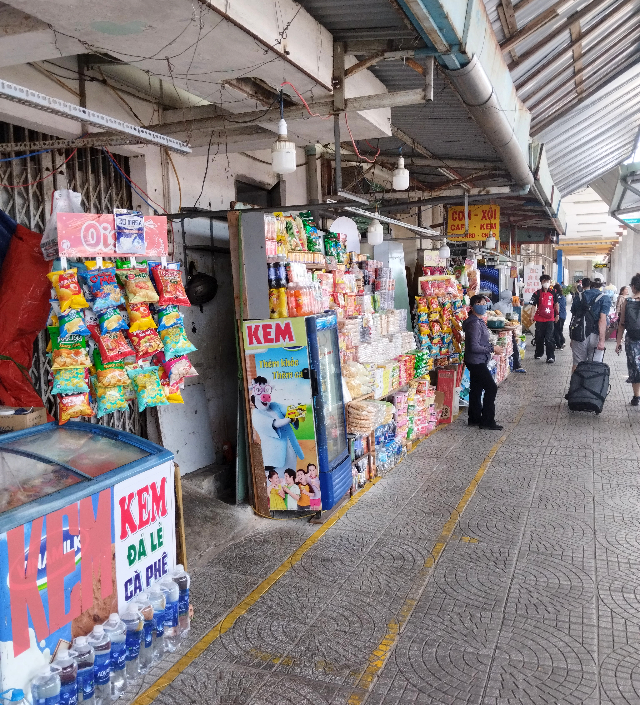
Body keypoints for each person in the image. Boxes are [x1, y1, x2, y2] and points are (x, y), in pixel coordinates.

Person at [462, 294, 504, 430]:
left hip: (476, 360)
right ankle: (487, 420)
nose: (483, 306)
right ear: (473, 307)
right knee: (491, 387)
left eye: (484, 303)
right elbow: (474, 346)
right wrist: (492, 349)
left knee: (476, 388)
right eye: (479, 304)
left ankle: (474, 418)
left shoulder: (478, 321)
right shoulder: (474, 323)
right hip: (476, 361)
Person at [569, 277, 609, 372]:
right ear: (601, 286)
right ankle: (591, 386)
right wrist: (602, 341)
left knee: (577, 364)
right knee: (594, 365)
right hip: (595, 335)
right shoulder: (604, 298)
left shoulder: (579, 296)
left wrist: (572, 338)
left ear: (590, 285)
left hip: (579, 334)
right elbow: (602, 320)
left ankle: (576, 386)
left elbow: (574, 318)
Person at [616, 275, 640, 405]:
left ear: (634, 287)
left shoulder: (628, 301)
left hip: (632, 340)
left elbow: (622, 324)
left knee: (634, 367)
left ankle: (636, 397)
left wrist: (618, 342)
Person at [531, 274, 559, 363]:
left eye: (547, 281)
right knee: (539, 337)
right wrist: (531, 316)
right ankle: (539, 353)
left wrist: (557, 314)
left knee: (549, 338)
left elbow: (556, 304)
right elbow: (533, 306)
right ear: (541, 282)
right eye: (544, 281)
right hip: (539, 319)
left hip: (550, 319)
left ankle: (550, 356)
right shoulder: (537, 293)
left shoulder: (553, 292)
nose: (546, 283)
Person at [553, 283, 566, 350]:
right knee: (560, 330)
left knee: (556, 330)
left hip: (558, 315)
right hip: (563, 315)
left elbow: (556, 306)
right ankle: (562, 342)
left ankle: (559, 344)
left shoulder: (556, 296)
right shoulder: (563, 297)